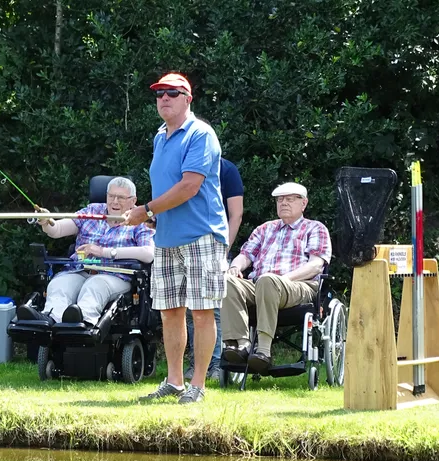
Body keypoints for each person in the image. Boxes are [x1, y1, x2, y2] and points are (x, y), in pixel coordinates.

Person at [127, 72, 228, 404]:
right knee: (170, 312)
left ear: (188, 99)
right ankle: (174, 382)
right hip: (167, 238)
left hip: (202, 235)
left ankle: (198, 385)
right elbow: (166, 186)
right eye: (159, 94)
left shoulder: (201, 134)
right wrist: (153, 215)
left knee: (201, 312)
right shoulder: (160, 137)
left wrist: (147, 210)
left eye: (172, 93)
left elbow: (189, 187)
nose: (164, 98)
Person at [221, 182, 332, 373]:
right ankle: (240, 344)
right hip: (261, 285)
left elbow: (316, 265)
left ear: (303, 203)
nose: (284, 203)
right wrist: (234, 267)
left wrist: (283, 279)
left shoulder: (315, 228)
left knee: (268, 280)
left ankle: (263, 350)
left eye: (290, 199)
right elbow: (245, 255)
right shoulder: (265, 229)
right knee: (227, 281)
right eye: (280, 200)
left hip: (299, 285)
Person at [15, 176, 155, 327]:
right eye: (111, 196)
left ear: (133, 201)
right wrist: (47, 221)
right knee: (60, 284)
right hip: (80, 270)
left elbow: (148, 253)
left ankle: (82, 322)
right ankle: (49, 319)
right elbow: (57, 230)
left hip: (114, 275)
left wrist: (103, 251)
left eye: (121, 198)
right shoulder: (93, 210)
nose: (114, 202)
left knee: (95, 285)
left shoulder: (139, 219)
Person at [184, 157, 245, 381]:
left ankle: (217, 365)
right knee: (190, 309)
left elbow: (236, 215)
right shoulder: (182, 165)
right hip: (185, 245)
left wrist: (223, 249)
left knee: (214, 307)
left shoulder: (226, 169)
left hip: (215, 246)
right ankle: (197, 364)